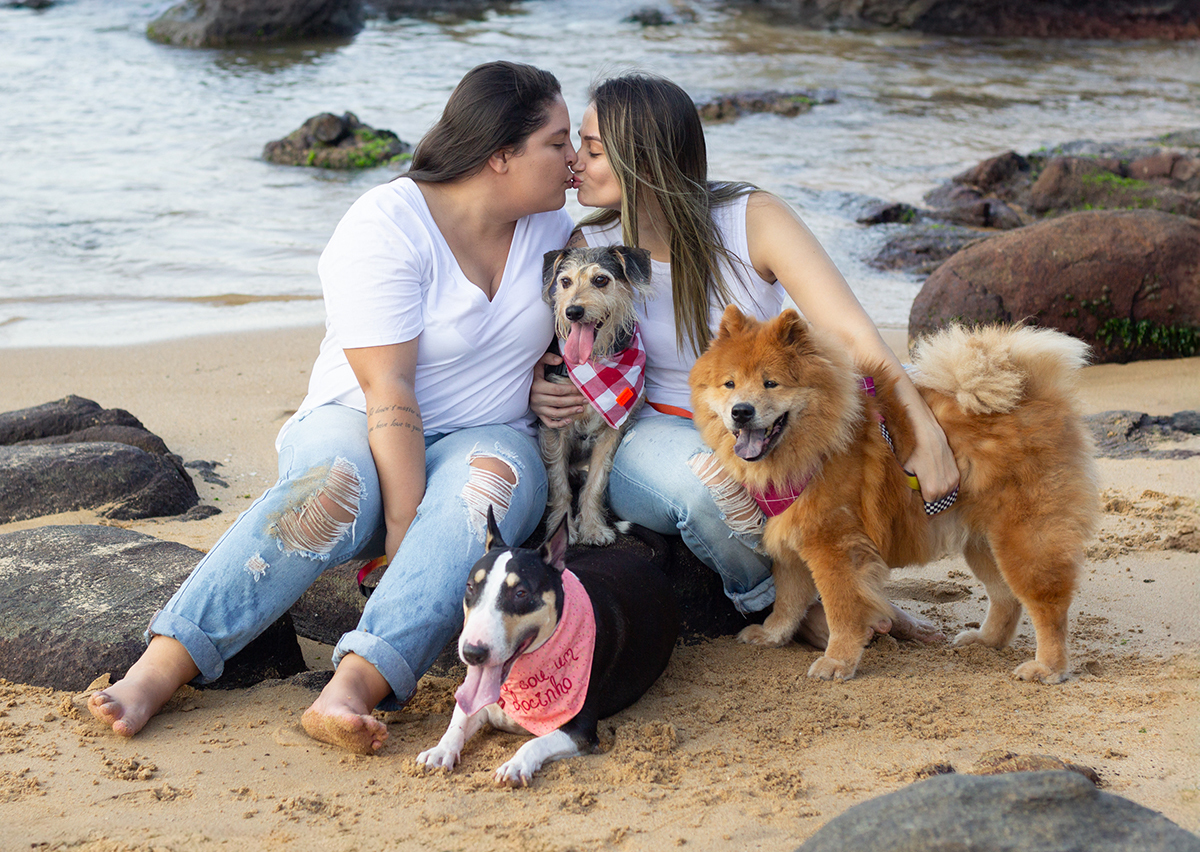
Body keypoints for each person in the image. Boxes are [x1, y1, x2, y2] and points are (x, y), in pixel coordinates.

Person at [89, 61, 578, 753]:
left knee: (480, 497)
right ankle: (157, 671)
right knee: (339, 490)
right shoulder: (387, 222)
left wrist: (552, 378)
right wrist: (402, 528)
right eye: (558, 142)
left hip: (487, 433)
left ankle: (351, 686)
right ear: (501, 155)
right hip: (357, 416)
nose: (574, 157)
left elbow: (587, 330)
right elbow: (389, 389)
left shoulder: (553, 228)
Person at [531, 73, 958, 633]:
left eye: (591, 150)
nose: (574, 165)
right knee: (710, 487)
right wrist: (538, 379)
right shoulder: (593, 250)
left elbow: (850, 331)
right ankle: (784, 606)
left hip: (762, 412)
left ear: (646, 162)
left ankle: (852, 587)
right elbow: (543, 349)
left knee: (845, 450)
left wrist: (925, 434)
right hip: (647, 429)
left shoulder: (750, 218)